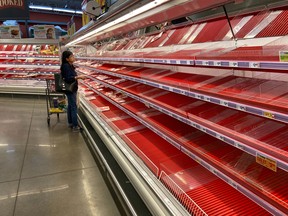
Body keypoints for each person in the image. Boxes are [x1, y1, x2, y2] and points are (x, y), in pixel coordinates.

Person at [60, 50, 85, 132]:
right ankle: (75, 126)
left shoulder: (69, 65)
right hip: (70, 89)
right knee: (74, 107)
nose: (73, 57)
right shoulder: (66, 66)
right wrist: (78, 77)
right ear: (67, 59)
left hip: (71, 88)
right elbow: (68, 78)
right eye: (71, 56)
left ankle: (70, 122)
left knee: (70, 106)